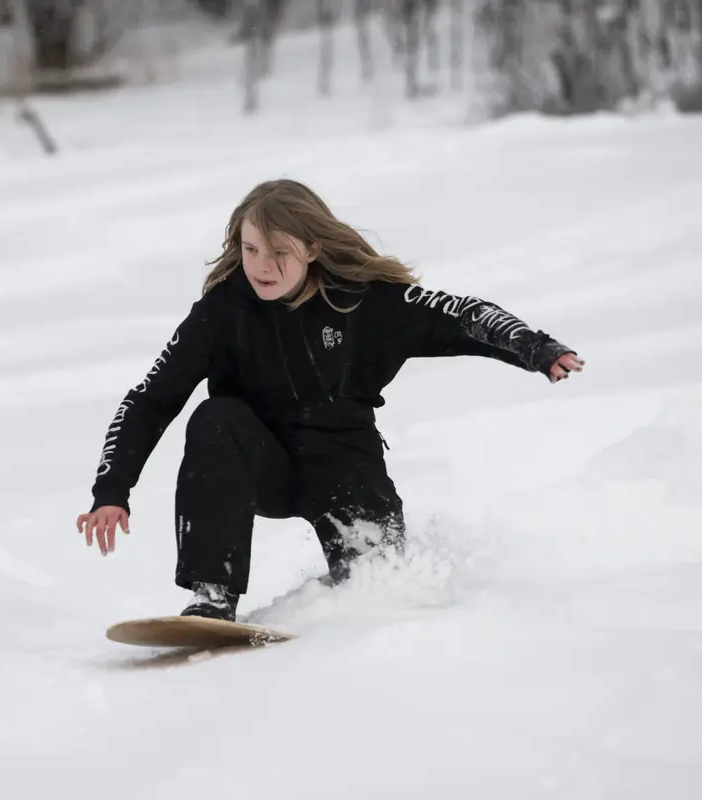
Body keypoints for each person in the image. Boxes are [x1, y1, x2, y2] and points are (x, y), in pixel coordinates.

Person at [75, 179, 585, 622]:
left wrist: (536, 349)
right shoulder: (223, 310)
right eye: (251, 249)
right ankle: (212, 597)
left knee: (382, 591)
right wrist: (112, 489)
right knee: (215, 418)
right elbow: (149, 398)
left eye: (279, 252)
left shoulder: (363, 300)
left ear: (313, 249)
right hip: (263, 464)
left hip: (347, 469)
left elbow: (462, 314)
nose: (261, 266)